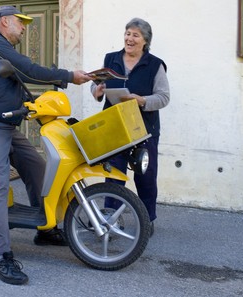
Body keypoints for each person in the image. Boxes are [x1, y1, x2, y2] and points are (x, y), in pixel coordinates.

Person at [0, 6, 92, 285]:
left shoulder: (1, 48)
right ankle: (0, 258)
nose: (24, 28)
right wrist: (68, 76)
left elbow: (11, 78)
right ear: (5, 22)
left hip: (1, 124)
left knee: (37, 167)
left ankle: (45, 228)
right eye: (21, 22)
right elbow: (25, 69)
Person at [91, 18, 170, 237]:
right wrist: (96, 91)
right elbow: (96, 85)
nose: (129, 38)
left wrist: (141, 100)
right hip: (114, 127)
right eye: (127, 33)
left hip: (144, 130)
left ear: (145, 41)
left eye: (135, 35)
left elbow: (163, 98)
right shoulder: (111, 59)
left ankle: (147, 219)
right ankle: (111, 219)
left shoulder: (155, 65)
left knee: (145, 176)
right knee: (114, 175)